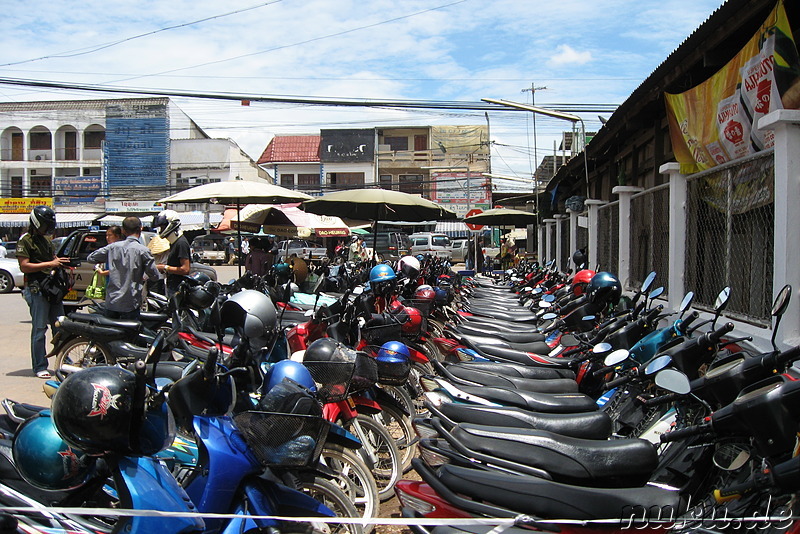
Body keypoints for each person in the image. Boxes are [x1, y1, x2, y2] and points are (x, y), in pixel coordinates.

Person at [17, 206, 70, 379]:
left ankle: (65, 361)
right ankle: (40, 366)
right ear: (36, 223)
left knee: (61, 326)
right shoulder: (25, 240)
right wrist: (50, 264)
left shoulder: (46, 240)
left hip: (51, 289)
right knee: (40, 329)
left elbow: (52, 260)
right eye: (45, 225)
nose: (47, 229)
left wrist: (59, 262)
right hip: (36, 289)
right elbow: (24, 266)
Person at [87, 217, 159, 320]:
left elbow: (91, 258)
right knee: (130, 334)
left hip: (112, 302)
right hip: (131, 303)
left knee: (111, 333)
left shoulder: (112, 248)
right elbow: (155, 276)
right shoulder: (143, 251)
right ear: (140, 229)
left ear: (123, 231)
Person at [152, 210, 191, 295]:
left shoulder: (181, 243)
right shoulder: (173, 243)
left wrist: (165, 267)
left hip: (178, 288)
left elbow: (185, 269)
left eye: (162, 227)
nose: (160, 230)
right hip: (172, 286)